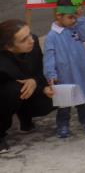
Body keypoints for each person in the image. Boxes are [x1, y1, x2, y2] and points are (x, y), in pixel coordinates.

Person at [43, 0, 85, 138]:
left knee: (83, 100)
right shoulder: (52, 36)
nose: (73, 20)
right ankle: (63, 125)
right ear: (58, 15)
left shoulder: (76, 27)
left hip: (80, 72)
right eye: (70, 17)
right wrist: (51, 75)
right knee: (64, 104)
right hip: (64, 75)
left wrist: (80, 19)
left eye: (75, 16)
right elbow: (49, 57)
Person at [0, 20, 54, 154]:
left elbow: (40, 71)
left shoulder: (33, 42)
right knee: (14, 90)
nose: (31, 40)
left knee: (53, 89)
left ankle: (26, 119)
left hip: (21, 85)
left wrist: (35, 81)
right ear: (8, 47)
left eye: (30, 34)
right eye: (24, 39)